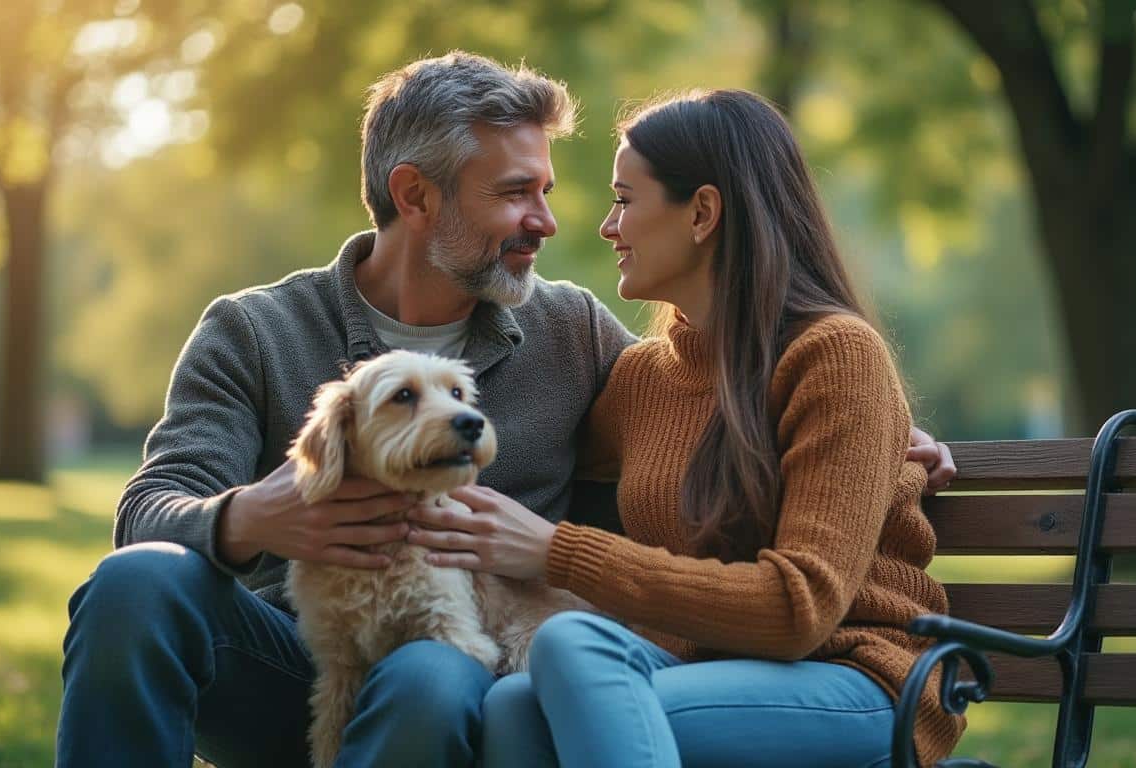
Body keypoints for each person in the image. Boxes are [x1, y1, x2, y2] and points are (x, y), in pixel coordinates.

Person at [56, 52, 955, 767]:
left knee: (435, 679)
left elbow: (726, 385)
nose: (550, 224)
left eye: (551, 192)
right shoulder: (256, 331)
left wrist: (883, 435)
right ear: (415, 195)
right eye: (514, 193)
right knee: (136, 583)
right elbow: (147, 509)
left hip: (453, 666)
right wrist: (255, 515)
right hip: (290, 659)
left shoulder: (570, 334)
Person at [406, 89, 964, 768]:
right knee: (514, 701)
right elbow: (530, 456)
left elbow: (800, 610)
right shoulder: (641, 379)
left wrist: (559, 551)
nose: (608, 227)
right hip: (694, 670)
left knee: (572, 657)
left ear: (701, 212)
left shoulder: (835, 355)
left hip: (856, 679)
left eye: (624, 199)